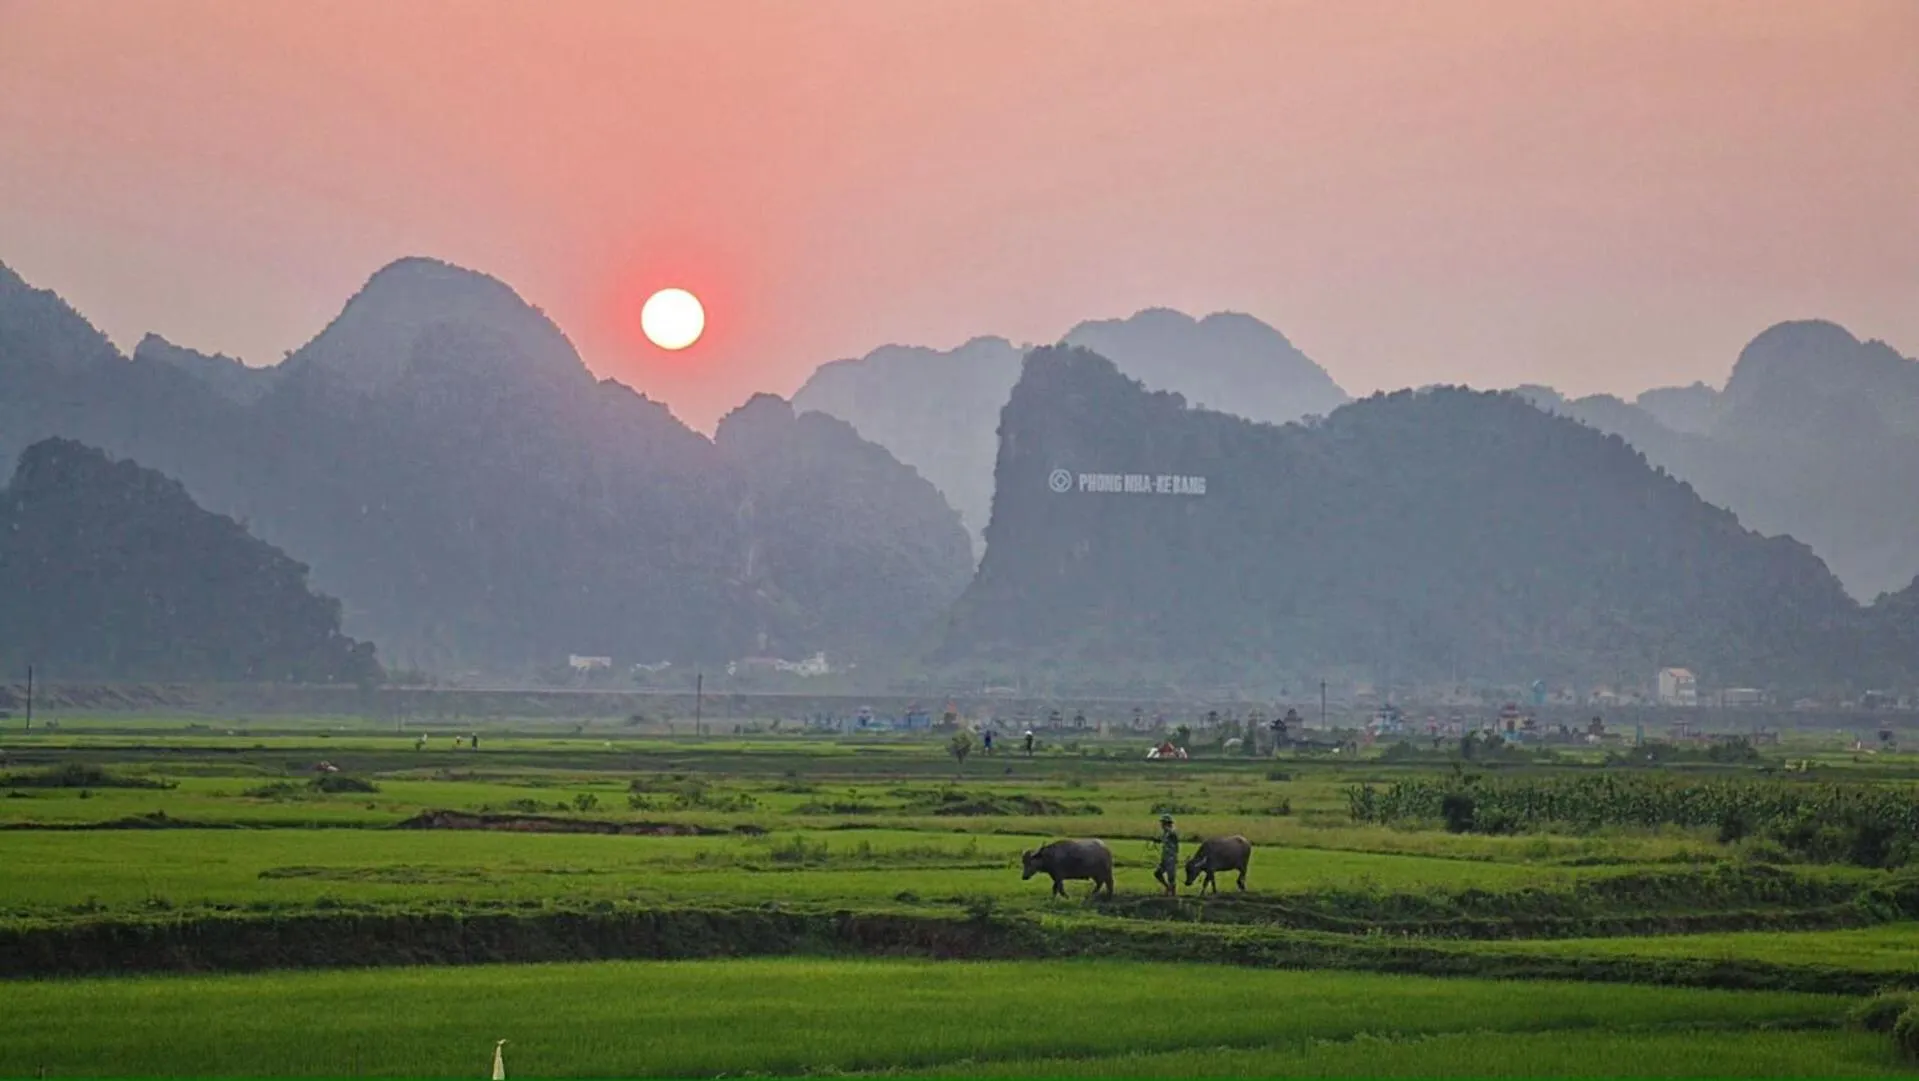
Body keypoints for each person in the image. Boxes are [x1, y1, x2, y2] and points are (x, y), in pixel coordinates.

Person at [1154, 813, 1179, 896]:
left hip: (1171, 859)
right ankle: (1167, 887)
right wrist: (1156, 840)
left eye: (1163, 823)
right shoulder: (1165, 833)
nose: (1161, 825)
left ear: (1167, 823)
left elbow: (1174, 843)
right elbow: (1162, 840)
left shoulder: (1172, 833)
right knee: (1157, 873)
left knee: (1171, 878)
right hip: (1164, 858)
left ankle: (1173, 895)